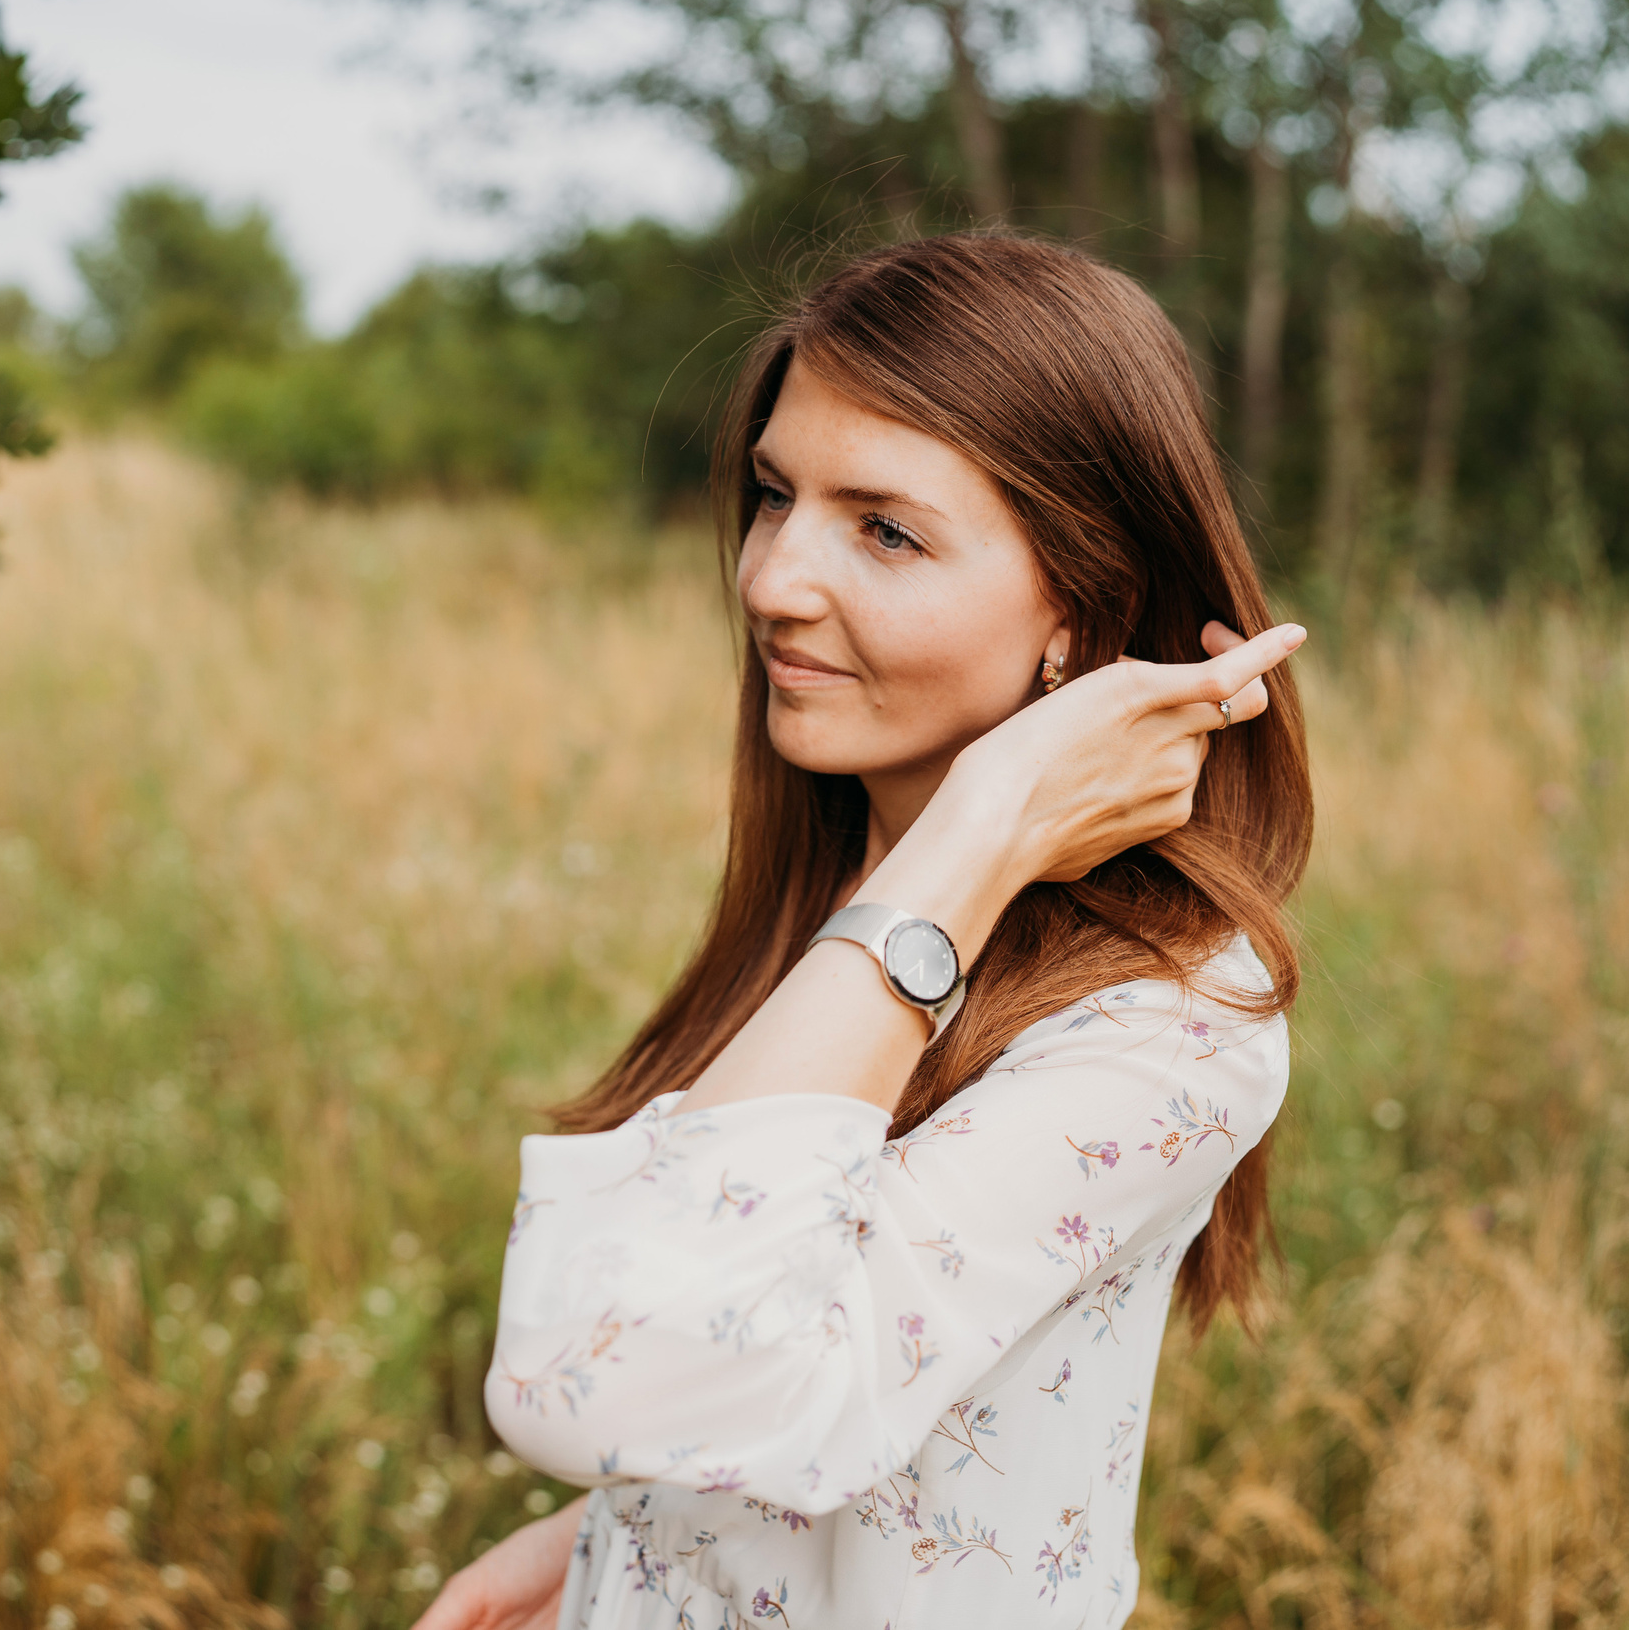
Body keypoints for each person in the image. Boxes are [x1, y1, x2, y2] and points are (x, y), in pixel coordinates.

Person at [417, 233, 1312, 1629]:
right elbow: (799, 1325)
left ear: (1080, 606)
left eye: (884, 529)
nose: (773, 580)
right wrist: (610, 1541)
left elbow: (597, 1370)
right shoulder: (862, 895)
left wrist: (985, 825)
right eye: (776, 497)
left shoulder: (1168, 1024)